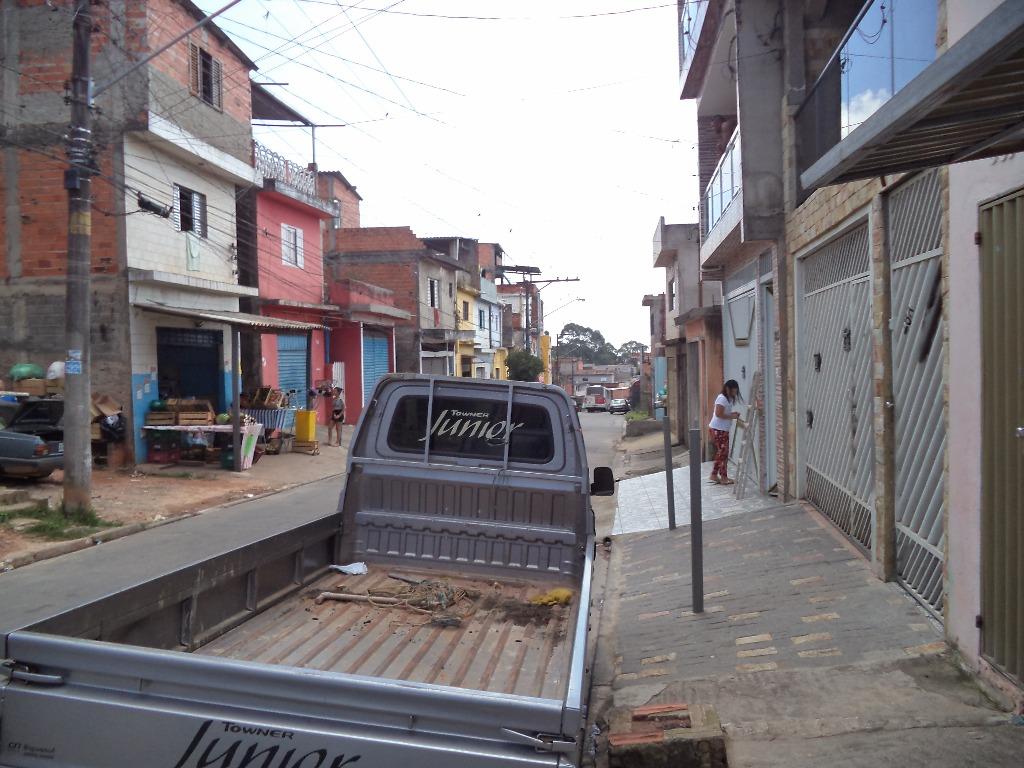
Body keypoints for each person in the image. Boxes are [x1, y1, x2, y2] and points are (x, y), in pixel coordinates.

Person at [708, 379, 742, 485]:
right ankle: (717, 475)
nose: (735, 393)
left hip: (723, 430)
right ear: (728, 389)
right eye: (733, 391)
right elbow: (718, 414)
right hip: (717, 429)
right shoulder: (722, 398)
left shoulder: (728, 399)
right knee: (722, 453)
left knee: (724, 453)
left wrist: (732, 414)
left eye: (736, 391)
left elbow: (724, 412)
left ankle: (720, 476)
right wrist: (732, 416)